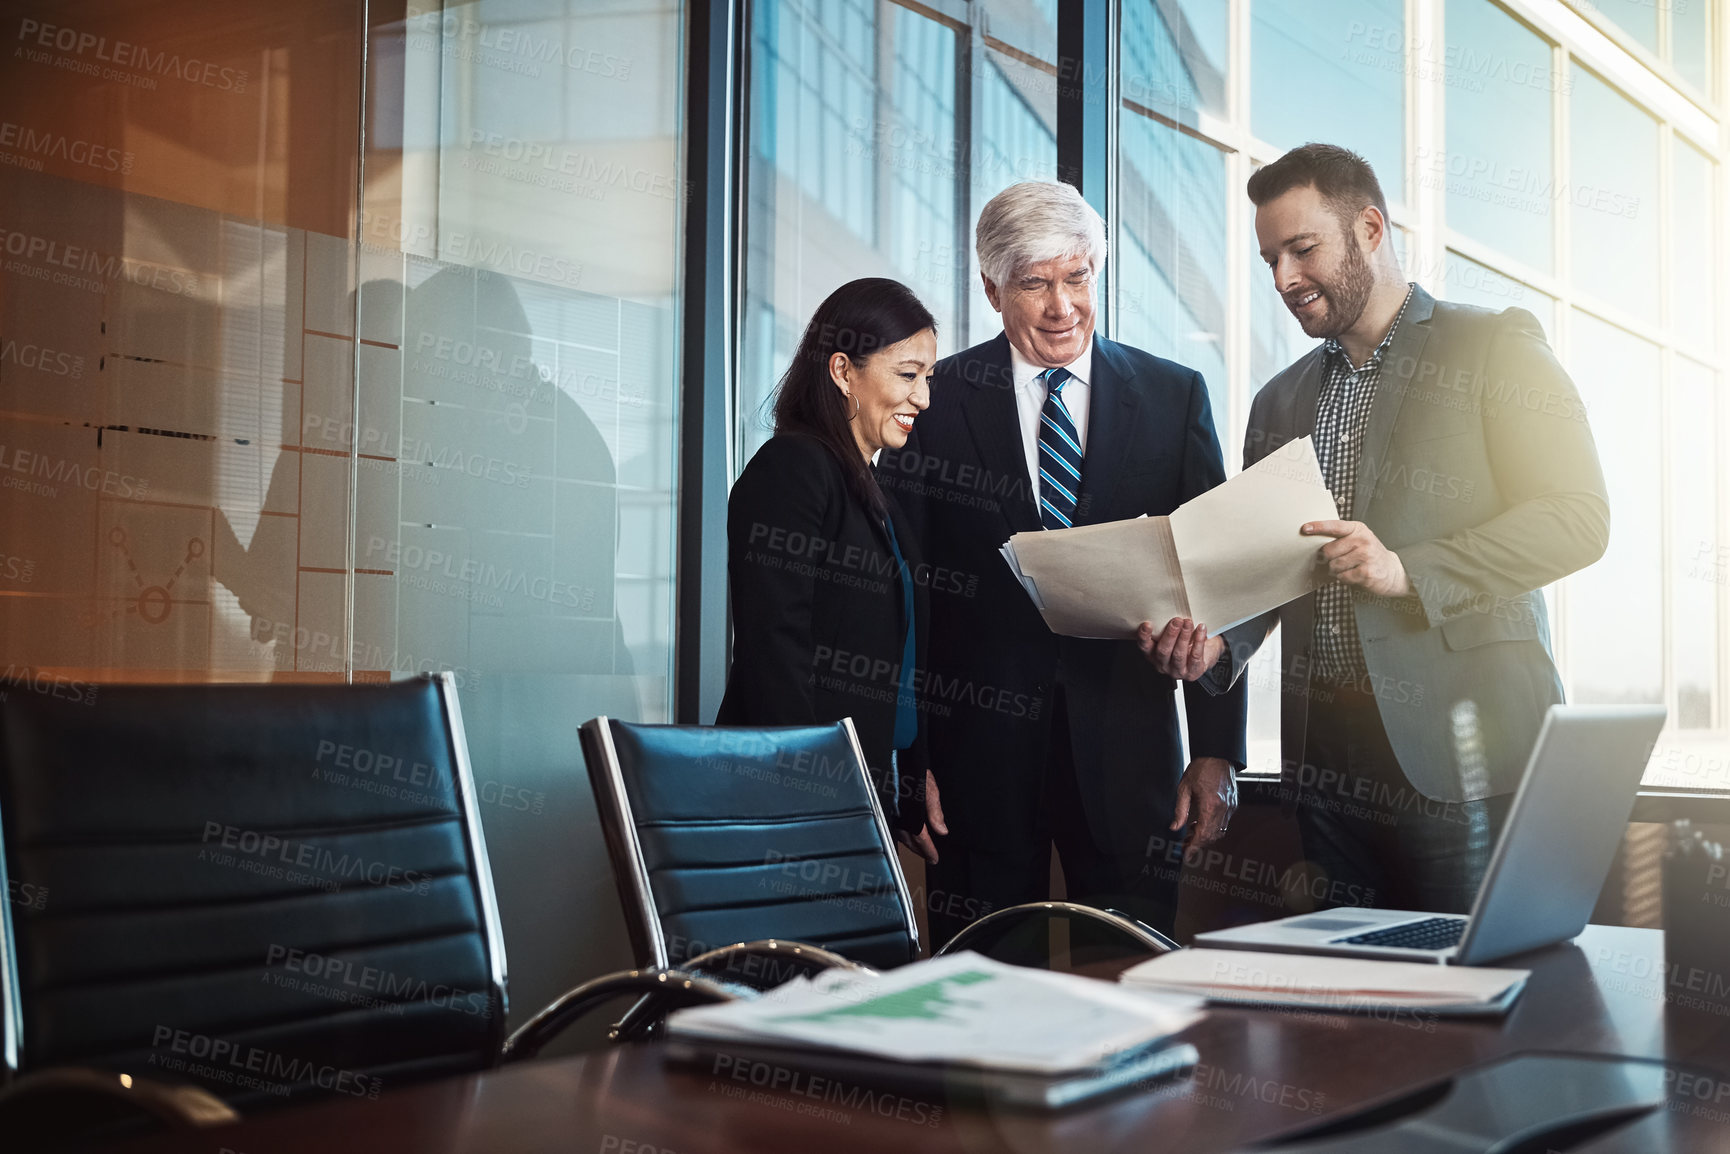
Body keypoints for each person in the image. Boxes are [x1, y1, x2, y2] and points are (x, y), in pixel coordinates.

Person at [1194, 142, 1609, 913]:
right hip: (1326, 770)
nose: (1284, 279)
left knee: (1474, 1004)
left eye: (1303, 249)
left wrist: (1408, 569)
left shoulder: (1492, 346)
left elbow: (1578, 519)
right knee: (1352, 1019)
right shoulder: (1277, 403)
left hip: (1464, 757)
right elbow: (1269, 566)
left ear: (1372, 228)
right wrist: (1218, 643)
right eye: (1270, 259)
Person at [881, 181, 1247, 942]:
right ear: (991, 289)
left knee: (1136, 989)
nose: (1062, 306)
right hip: (975, 767)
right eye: (1034, 283)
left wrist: (1216, 748)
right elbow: (903, 591)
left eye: (1077, 278)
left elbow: (1216, 577)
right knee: (981, 997)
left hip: (1132, 759)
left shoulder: (1174, 396)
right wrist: (909, 759)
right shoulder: (934, 401)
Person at [718, 278, 938, 851]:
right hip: (800, 797)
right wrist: (815, 798)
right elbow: (776, 649)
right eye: (908, 375)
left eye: (928, 378)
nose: (924, 398)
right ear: (843, 372)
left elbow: (900, 656)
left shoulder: (872, 487)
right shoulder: (794, 467)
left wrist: (909, 781)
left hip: (865, 787)